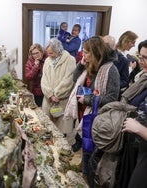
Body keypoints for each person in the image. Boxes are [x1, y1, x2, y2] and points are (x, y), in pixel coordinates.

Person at [64, 36, 120, 183]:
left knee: (92, 152)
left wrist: (88, 100)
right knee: (85, 145)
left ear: (96, 53)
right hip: (84, 114)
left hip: (97, 118)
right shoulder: (90, 65)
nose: (84, 54)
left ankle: (89, 180)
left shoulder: (110, 70)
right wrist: (81, 65)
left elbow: (112, 99)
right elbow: (75, 79)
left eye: (87, 52)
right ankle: (85, 174)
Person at [114, 40, 147, 188]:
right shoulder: (143, 79)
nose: (141, 62)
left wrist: (138, 128)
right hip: (134, 147)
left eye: (145, 58)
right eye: (140, 57)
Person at [41, 38, 76, 137]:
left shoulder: (70, 60)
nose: (49, 56)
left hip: (62, 100)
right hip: (49, 100)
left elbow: (68, 80)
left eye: (51, 53)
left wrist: (56, 94)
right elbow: (44, 80)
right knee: (48, 129)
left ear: (58, 50)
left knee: (61, 131)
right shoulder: (47, 61)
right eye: (48, 53)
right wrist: (50, 95)